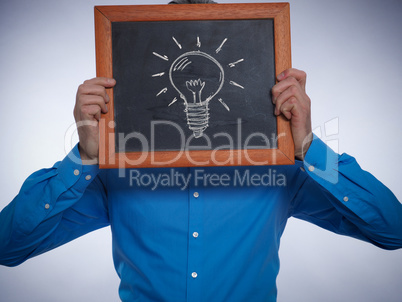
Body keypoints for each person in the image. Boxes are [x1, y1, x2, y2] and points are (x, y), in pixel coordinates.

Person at [1, 0, 401, 301]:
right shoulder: (115, 169)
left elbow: (392, 229)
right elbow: (8, 245)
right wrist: (85, 157)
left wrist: (309, 147)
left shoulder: (279, 168)